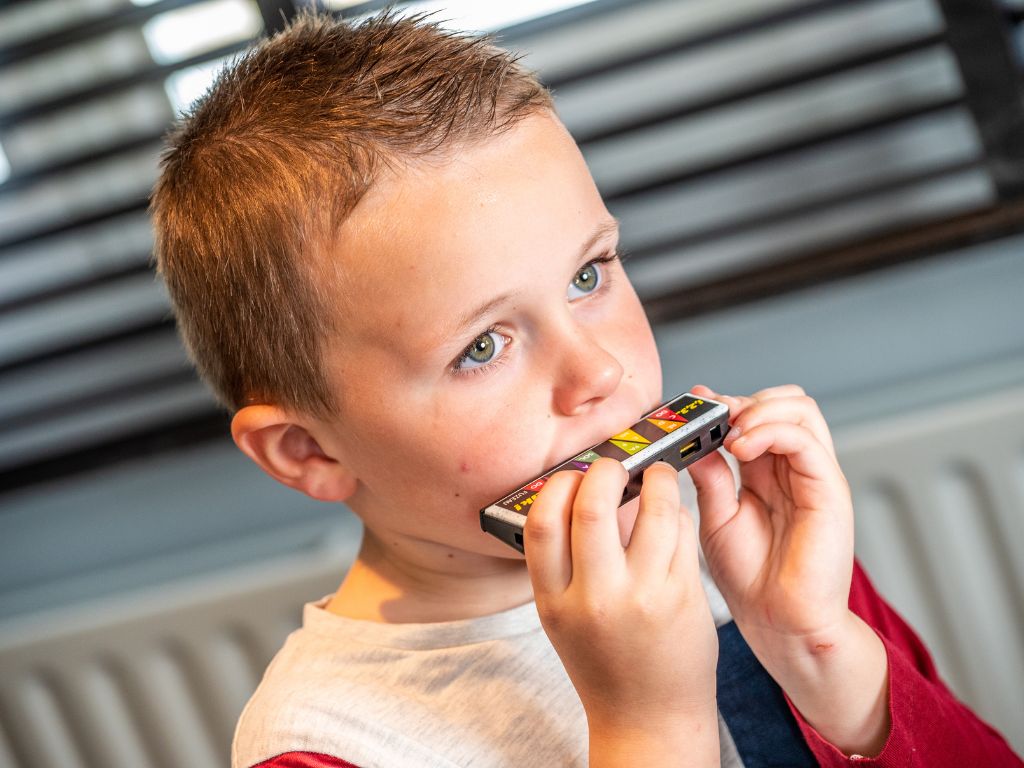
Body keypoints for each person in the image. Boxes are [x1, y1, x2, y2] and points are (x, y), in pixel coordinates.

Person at [150, 10, 1024, 768]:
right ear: (309, 451)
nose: (599, 373)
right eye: (483, 346)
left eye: (588, 276)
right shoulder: (328, 744)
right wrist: (651, 727)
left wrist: (821, 647)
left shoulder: (745, 559)